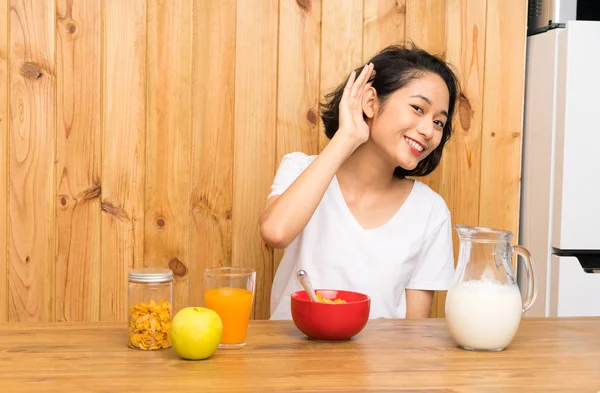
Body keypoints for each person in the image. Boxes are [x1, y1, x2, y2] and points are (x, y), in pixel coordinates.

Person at [260, 44, 460, 320]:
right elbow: (275, 233)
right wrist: (347, 136)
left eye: (439, 122)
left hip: (383, 363)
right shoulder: (301, 168)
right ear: (370, 102)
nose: (428, 131)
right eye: (417, 108)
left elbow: (416, 331)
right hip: (293, 361)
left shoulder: (430, 210)